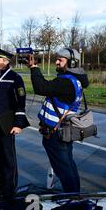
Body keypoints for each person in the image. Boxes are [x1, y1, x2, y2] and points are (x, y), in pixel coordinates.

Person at [27, 48, 89, 193]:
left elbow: (41, 87)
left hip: (56, 133)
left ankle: (71, 198)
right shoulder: (75, 81)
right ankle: (74, 193)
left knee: (63, 169)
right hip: (64, 130)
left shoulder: (66, 82)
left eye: (60, 60)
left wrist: (34, 68)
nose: (56, 62)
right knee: (68, 165)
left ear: (72, 63)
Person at [0, 47, 30, 202]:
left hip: (7, 124)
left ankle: (9, 187)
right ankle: (1, 181)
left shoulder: (15, 78)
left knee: (8, 157)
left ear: (5, 61)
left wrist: (18, 124)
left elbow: (21, 103)